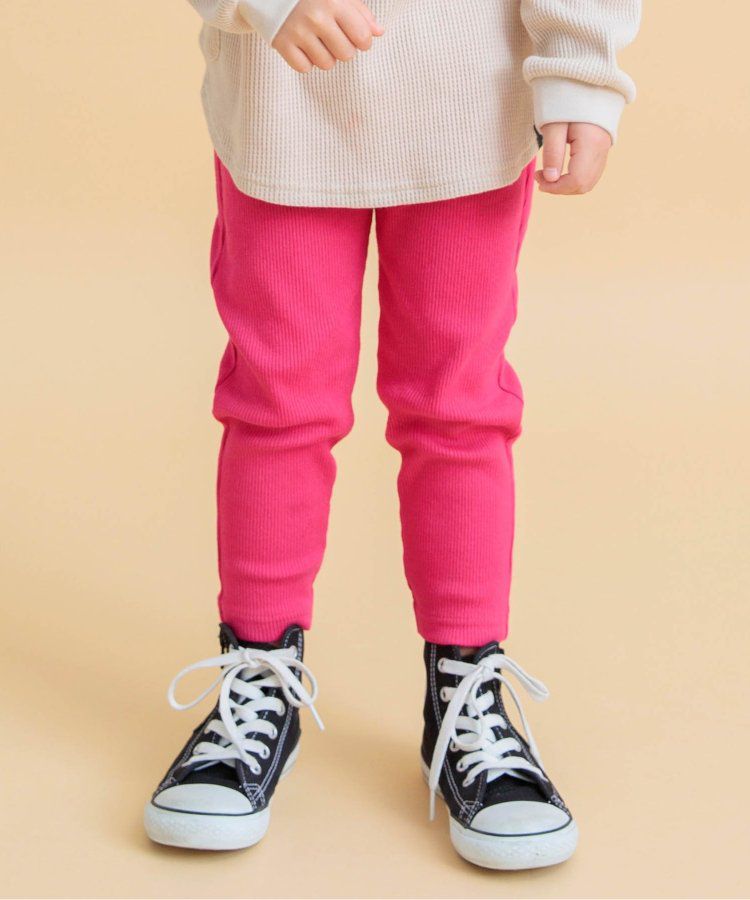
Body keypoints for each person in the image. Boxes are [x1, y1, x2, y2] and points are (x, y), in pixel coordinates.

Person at [143, 0, 640, 869]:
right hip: (284, 106)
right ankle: (257, 670)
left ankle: (466, 686)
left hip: (468, 100)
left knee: (459, 409)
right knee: (277, 404)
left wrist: (580, 68)